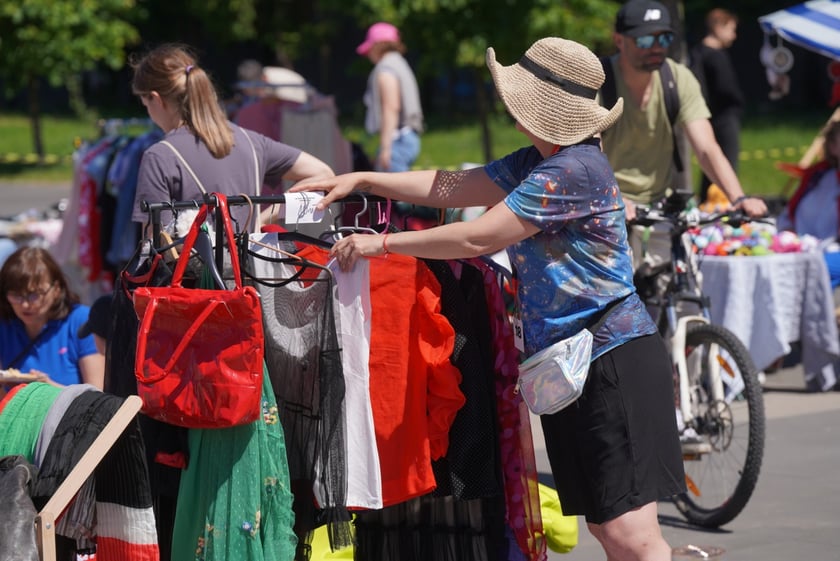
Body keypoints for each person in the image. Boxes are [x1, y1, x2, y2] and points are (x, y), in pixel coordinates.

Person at [290, 37, 685, 561]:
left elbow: (480, 236)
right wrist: (364, 179)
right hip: (577, 365)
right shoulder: (538, 162)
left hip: (612, 361)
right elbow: (453, 185)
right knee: (611, 531)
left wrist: (380, 243)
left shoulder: (573, 170)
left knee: (630, 535)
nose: (513, 113)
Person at [600, 0, 766, 269]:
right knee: (612, 303)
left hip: (658, 207)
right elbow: (582, 153)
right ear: (619, 40)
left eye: (664, 38)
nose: (656, 47)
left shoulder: (677, 78)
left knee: (681, 291)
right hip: (603, 206)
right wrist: (613, 196)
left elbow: (707, 148)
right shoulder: (599, 80)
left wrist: (739, 199)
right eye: (644, 40)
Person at [129, 43, 335, 233]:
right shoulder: (252, 142)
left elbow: (156, 244)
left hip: (196, 273)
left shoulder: (160, 156)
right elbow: (325, 175)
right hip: (252, 269)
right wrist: (265, 218)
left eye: (144, 103)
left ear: (156, 99)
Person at [0, 247, 104, 389]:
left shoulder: (81, 321)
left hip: (70, 411)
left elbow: (98, 397)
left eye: (34, 295)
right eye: (16, 295)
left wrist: (48, 388)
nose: (25, 304)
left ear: (56, 289)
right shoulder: (5, 324)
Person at [690, 8, 745, 204]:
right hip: (723, 116)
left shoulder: (696, 53)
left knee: (709, 166)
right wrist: (737, 102)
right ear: (717, 26)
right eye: (731, 29)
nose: (734, 35)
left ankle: (708, 202)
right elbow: (726, 89)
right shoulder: (715, 56)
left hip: (705, 115)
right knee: (724, 162)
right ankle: (722, 204)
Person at [777, 119, 840, 289]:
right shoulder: (817, 177)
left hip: (830, 253)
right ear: (833, 146)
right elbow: (789, 215)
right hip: (804, 247)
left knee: (814, 269)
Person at [357, 22, 424, 172]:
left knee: (393, 191)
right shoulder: (400, 63)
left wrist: (386, 148)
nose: (368, 54)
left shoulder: (386, 69)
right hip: (407, 137)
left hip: (398, 140)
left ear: (378, 46)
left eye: (369, 48)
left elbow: (391, 107)